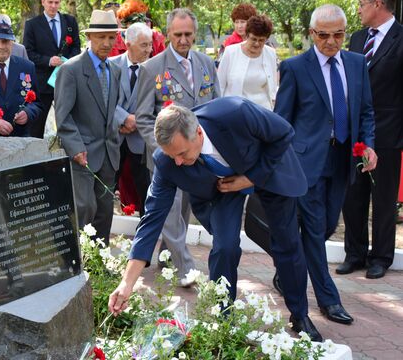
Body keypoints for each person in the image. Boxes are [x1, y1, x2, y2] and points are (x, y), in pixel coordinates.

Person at [108, 98, 322, 341]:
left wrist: (252, 177)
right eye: (172, 156)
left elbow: (284, 133)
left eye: (181, 153)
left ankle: (299, 315)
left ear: (198, 133)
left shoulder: (235, 113)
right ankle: (223, 318)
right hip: (221, 189)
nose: (177, 162)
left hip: (266, 169)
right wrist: (127, 284)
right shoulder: (168, 161)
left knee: (287, 244)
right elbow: (151, 221)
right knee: (224, 247)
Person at [274, 4, 377, 326]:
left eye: (338, 35)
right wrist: (281, 164)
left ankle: (285, 271)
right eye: (323, 35)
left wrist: (369, 144)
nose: (331, 41)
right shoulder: (295, 67)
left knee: (327, 226)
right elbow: (282, 120)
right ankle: (328, 301)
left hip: (344, 160)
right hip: (307, 163)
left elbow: (366, 112)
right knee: (316, 232)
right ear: (311, 34)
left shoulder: (358, 64)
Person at [135, 8, 219, 286]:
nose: (183, 40)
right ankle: (187, 270)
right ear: (168, 33)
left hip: (197, 154)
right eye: (178, 34)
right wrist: (163, 150)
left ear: (194, 33)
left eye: (188, 34)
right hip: (167, 158)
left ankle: (166, 256)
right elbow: (144, 117)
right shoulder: (152, 68)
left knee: (183, 211)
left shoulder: (207, 64)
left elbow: (216, 107)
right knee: (170, 214)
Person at [340, 0, 403, 279]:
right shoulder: (356, 38)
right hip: (356, 134)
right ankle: (354, 253)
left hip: (389, 134)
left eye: (362, 4)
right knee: (353, 194)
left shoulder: (400, 38)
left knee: (384, 197)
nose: (359, 9)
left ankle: (380, 257)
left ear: (378, 4)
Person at [54, 10, 122, 245]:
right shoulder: (70, 70)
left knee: (105, 212)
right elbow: (62, 116)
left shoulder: (116, 71)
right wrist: (76, 147)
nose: (106, 43)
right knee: (84, 209)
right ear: (90, 37)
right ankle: (77, 265)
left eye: (111, 37)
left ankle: (99, 265)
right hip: (81, 154)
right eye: (101, 37)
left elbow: (109, 113)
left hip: (108, 154)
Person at [23, 0, 81, 139]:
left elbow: (76, 48)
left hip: (66, 81)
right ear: (43, 1)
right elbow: (28, 52)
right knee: (37, 126)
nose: (53, 6)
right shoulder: (32, 24)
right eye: (50, 2)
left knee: (70, 122)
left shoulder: (70, 21)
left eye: (56, 2)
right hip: (42, 83)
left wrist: (67, 61)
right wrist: (48, 60)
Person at [110, 22, 153, 216]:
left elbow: (161, 103)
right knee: (106, 186)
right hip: (114, 136)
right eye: (144, 45)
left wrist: (138, 121)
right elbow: (104, 99)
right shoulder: (111, 65)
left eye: (150, 44)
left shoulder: (155, 69)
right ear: (128, 44)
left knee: (145, 189)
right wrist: (123, 118)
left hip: (141, 139)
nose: (149, 50)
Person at [218, 15, 278, 110]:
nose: (257, 43)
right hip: (235, 111)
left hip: (263, 111)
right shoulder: (230, 52)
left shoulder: (271, 53)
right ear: (247, 35)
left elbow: (273, 85)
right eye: (253, 39)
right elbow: (220, 85)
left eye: (261, 40)